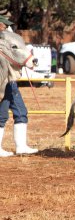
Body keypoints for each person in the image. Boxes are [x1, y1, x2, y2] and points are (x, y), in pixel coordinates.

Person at [0, 16, 38, 157]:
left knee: (21, 111)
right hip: (3, 83)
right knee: (2, 114)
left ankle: (21, 146)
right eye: (4, 25)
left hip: (11, 82)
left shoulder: (7, 40)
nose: (6, 28)